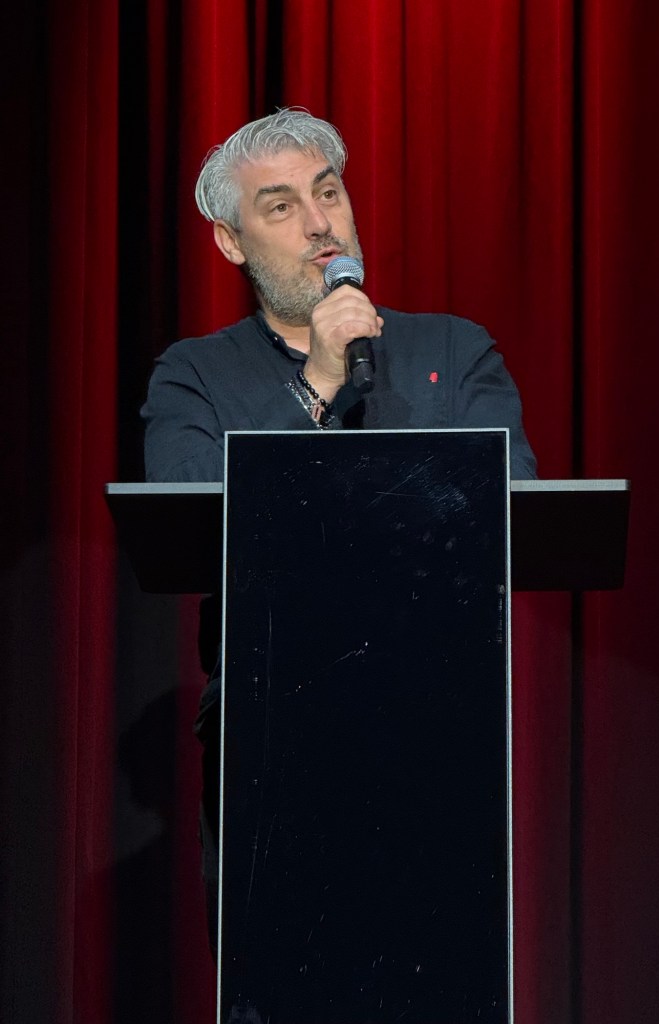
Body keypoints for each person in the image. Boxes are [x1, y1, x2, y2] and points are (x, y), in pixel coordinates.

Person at [141, 108, 537, 952]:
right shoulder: (195, 375)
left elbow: (514, 507)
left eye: (329, 193)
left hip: (438, 726)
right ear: (232, 242)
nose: (320, 223)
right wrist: (318, 384)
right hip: (271, 731)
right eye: (281, 206)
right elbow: (190, 511)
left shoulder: (454, 350)